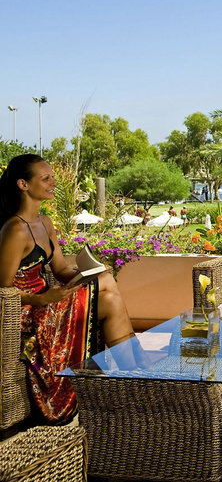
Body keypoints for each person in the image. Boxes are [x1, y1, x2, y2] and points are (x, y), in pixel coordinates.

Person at [0, 154, 136, 423]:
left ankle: (130, 379)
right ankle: (134, 380)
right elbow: (3, 291)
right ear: (23, 184)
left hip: (51, 299)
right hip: (28, 312)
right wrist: (42, 299)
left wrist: (88, 273)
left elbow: (61, 269)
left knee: (107, 285)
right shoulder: (15, 230)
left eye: (52, 177)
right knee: (109, 295)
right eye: (45, 178)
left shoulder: (45, 223)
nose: (53, 183)